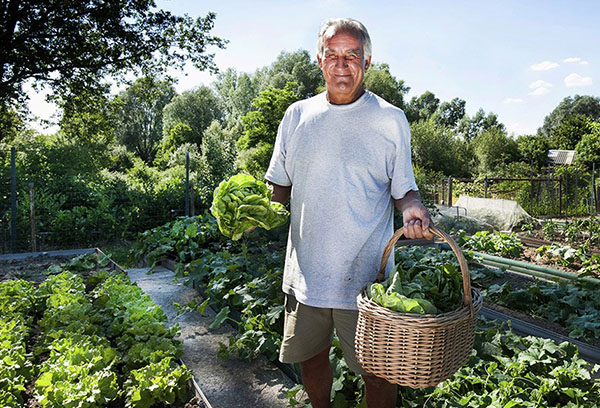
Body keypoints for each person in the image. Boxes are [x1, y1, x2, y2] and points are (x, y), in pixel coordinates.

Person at [265, 17, 432, 408]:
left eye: (351, 55)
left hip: (365, 278)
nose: (342, 65)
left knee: (378, 373)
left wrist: (413, 207)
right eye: (333, 55)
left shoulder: (389, 119)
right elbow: (279, 186)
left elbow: (404, 188)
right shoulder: (297, 116)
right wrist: (254, 209)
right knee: (312, 360)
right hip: (306, 273)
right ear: (319, 60)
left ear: (367, 61)